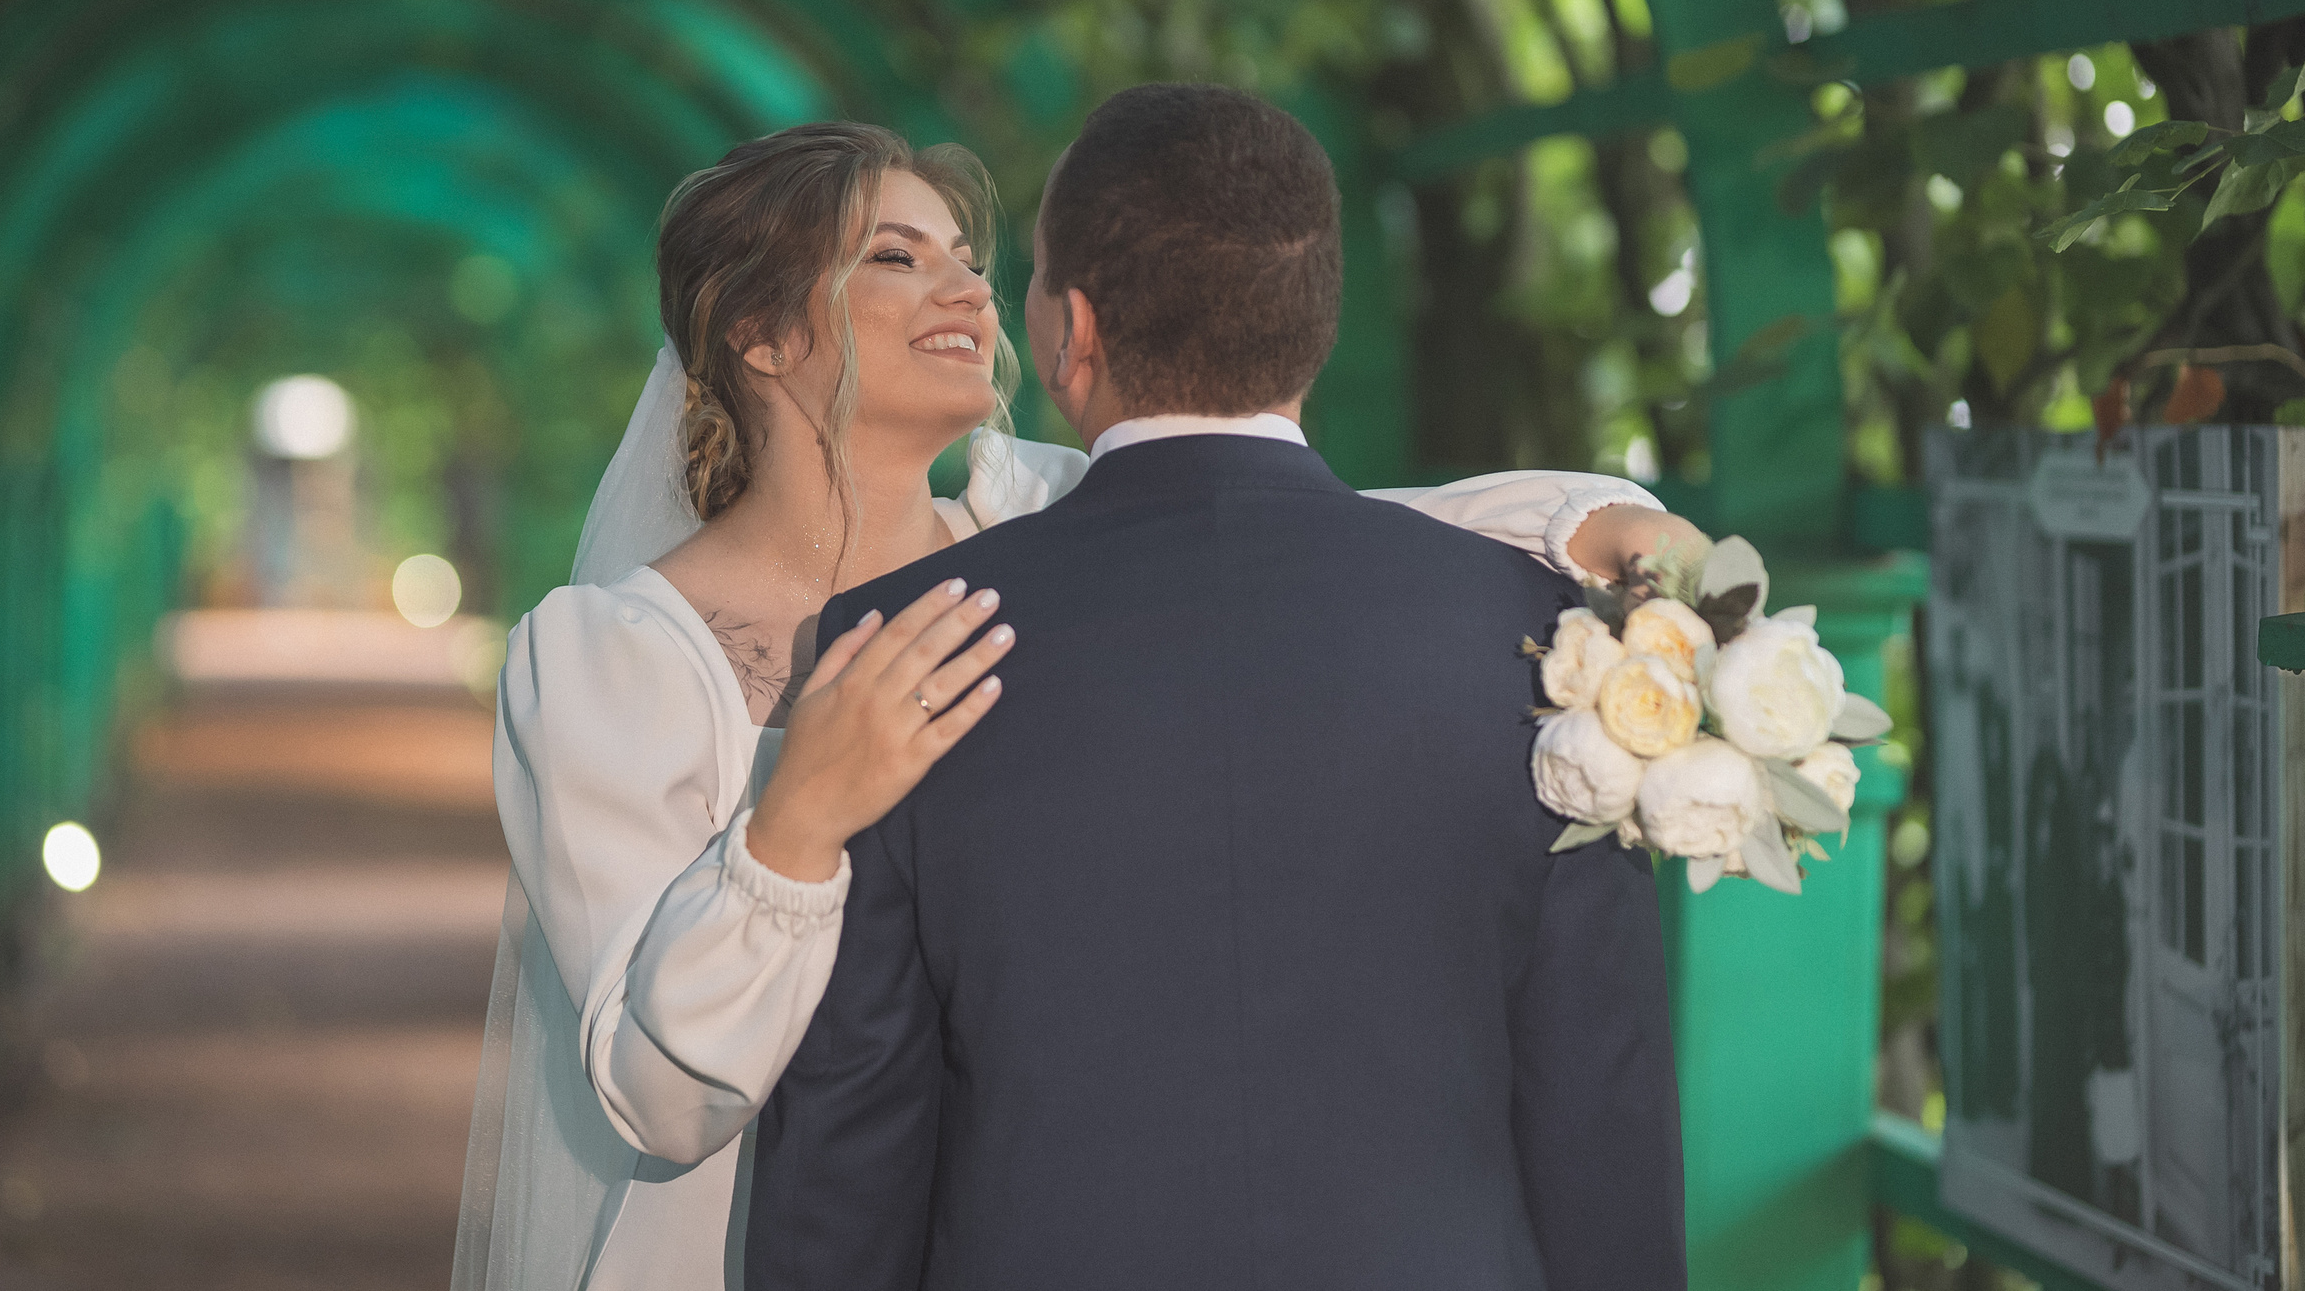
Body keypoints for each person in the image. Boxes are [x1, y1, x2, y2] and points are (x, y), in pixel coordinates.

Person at [451, 118, 1691, 1291]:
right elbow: (657, 1101)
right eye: (896, 255)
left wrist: (1579, 517)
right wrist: (798, 820)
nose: (966, 290)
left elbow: (1277, 509)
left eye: (974, 261)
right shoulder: (608, 657)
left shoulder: (1033, 517)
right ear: (758, 334)